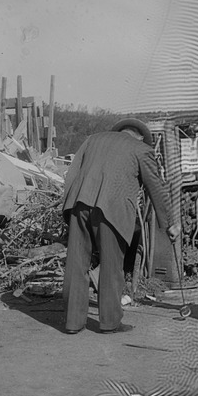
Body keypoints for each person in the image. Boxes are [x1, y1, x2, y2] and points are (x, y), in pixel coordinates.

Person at [62, 118, 180, 334]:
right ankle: (110, 322)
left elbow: (72, 175)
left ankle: (72, 323)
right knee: (111, 265)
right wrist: (170, 223)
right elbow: (157, 188)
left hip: (79, 204)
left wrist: (68, 209)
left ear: (120, 131)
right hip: (112, 210)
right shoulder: (141, 149)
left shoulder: (92, 140)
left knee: (76, 263)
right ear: (141, 136)